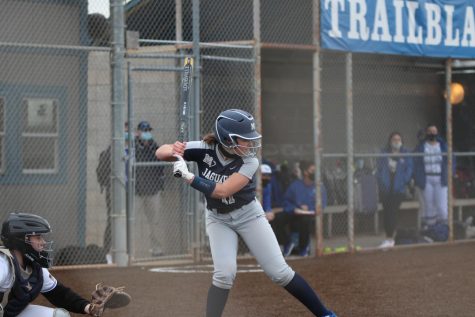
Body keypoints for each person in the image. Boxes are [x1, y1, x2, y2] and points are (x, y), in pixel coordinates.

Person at [156, 109, 337, 317]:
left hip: (248, 215)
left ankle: (325, 314)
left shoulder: (250, 162)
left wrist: (189, 177)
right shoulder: (204, 148)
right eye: (244, 140)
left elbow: (223, 191)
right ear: (226, 139)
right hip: (218, 219)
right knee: (224, 274)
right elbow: (160, 152)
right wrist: (175, 150)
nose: (250, 144)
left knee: (279, 273)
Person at [0, 212, 128, 316]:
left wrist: (89, 307)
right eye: (38, 237)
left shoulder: (34, 267)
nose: (43, 242)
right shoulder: (3, 263)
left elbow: (59, 294)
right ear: (22, 240)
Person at [282, 160, 327, 257]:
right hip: (295, 214)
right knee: (280, 218)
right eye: (312, 170)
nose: (315, 173)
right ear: (305, 172)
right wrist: (294, 208)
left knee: (304, 220)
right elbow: (286, 202)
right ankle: (289, 243)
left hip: (311, 215)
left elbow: (322, 204)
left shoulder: (319, 186)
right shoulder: (295, 185)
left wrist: (311, 208)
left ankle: (303, 248)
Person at [376, 132, 413, 248]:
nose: (396, 141)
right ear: (390, 141)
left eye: (398, 139)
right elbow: (379, 169)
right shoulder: (384, 152)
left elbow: (409, 168)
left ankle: (390, 238)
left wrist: (404, 180)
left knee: (392, 211)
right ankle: (388, 237)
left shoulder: (405, 153)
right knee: (386, 212)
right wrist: (381, 182)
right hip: (386, 189)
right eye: (394, 139)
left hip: (398, 189)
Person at [134, 121, 165, 257]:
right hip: (137, 191)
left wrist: (159, 186)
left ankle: (156, 249)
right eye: (144, 130)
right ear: (138, 132)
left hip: (153, 191)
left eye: (148, 130)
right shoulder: (133, 146)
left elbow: (161, 169)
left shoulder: (155, 147)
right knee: (132, 220)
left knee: (155, 221)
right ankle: (130, 251)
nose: (147, 133)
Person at [413, 124, 450, 228]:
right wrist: (417, 177)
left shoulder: (442, 145)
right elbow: (415, 161)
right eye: (430, 131)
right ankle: (431, 229)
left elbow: (451, 160)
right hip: (426, 178)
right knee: (429, 205)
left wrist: (449, 173)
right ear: (426, 133)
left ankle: (443, 229)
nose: (432, 133)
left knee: (442, 207)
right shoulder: (422, 146)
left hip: (440, 178)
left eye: (434, 131)